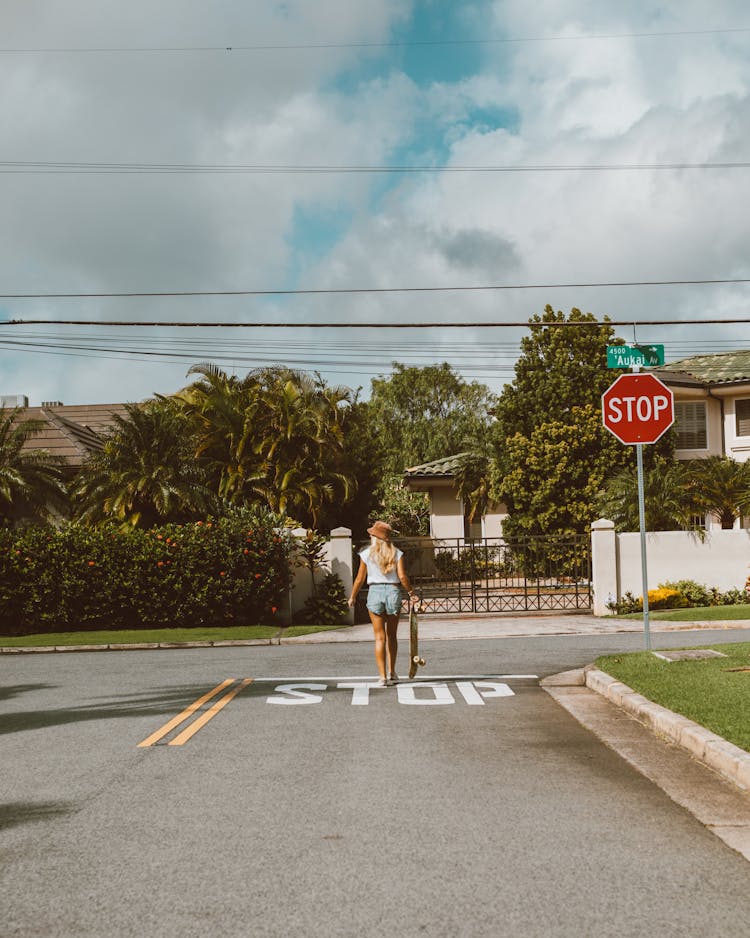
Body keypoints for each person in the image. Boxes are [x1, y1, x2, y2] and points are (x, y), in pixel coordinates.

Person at [347, 520, 419, 687]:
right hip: (393, 592)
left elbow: (359, 579)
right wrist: (411, 593)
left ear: (375, 537)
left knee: (379, 637)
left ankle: (382, 677)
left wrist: (352, 596)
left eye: (371, 534)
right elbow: (402, 577)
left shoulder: (366, 554)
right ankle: (392, 672)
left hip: (375, 592)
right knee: (392, 636)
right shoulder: (397, 553)